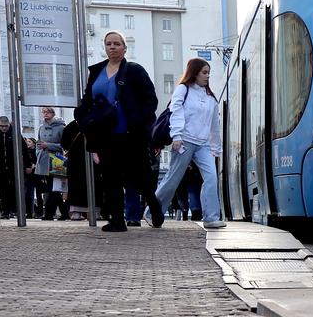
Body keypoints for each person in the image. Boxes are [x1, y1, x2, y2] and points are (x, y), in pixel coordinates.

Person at [77, 30, 163, 233]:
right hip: (105, 134)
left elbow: (151, 99)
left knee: (140, 177)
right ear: (104, 47)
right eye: (108, 44)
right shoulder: (96, 71)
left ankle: (154, 205)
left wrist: (138, 120)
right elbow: (87, 101)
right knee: (110, 178)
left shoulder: (134, 70)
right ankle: (117, 219)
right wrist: (84, 119)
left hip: (130, 133)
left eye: (117, 44)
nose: (112, 47)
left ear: (125, 48)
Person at [153, 58, 225, 228]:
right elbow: (175, 112)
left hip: (204, 145)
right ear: (194, 73)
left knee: (212, 177)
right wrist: (176, 136)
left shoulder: (211, 98)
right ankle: (153, 212)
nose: (207, 76)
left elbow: (214, 124)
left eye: (209, 73)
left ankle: (211, 218)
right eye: (204, 72)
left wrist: (216, 148)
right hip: (184, 141)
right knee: (173, 178)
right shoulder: (183, 89)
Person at [33, 107, 66, 220]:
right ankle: (60, 213)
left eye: (48, 112)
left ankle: (50, 213)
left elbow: (64, 145)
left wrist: (49, 145)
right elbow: (38, 142)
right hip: (43, 159)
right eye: (44, 112)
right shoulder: (41, 127)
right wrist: (38, 153)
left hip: (56, 160)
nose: (45, 114)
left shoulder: (61, 127)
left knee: (54, 188)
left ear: (53, 113)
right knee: (49, 188)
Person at [59, 119, 95, 221]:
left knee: (75, 186)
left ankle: (76, 213)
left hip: (75, 161)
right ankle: (94, 212)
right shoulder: (93, 123)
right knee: (93, 184)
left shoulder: (69, 127)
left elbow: (64, 144)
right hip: (91, 160)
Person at [0, 116, 18, 218]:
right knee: (3, 189)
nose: (4, 128)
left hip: (12, 165)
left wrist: (28, 165)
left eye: (6, 126)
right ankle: (5, 210)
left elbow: (23, 148)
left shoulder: (14, 133)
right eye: (2, 126)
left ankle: (12, 209)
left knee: (13, 188)